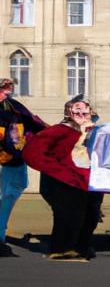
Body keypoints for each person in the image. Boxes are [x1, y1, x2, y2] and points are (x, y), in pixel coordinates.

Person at [22, 95, 103, 262]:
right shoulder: (58, 130)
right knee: (70, 215)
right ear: (68, 112)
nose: (82, 115)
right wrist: (58, 170)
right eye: (77, 111)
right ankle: (63, 249)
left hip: (90, 181)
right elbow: (32, 152)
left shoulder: (96, 132)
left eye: (86, 111)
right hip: (64, 181)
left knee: (91, 215)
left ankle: (80, 247)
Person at [0, 77, 47, 257]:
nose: (6, 92)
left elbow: (33, 124)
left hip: (12, 160)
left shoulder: (13, 107)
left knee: (11, 192)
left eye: (7, 89)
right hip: (11, 159)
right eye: (3, 89)